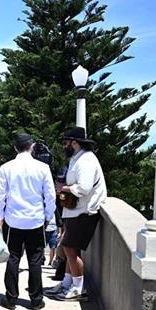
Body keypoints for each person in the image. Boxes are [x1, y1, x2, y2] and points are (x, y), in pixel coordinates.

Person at [0, 133, 56, 310]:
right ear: (32, 147)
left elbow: (0, 195)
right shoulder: (43, 168)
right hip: (36, 220)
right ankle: (36, 300)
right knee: (35, 260)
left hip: (13, 221)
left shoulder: (6, 167)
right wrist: (48, 216)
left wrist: (1, 218)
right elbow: (50, 195)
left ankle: (11, 298)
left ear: (15, 148)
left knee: (13, 258)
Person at [50, 126, 107, 301]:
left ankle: (78, 288)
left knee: (69, 248)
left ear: (75, 143)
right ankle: (68, 283)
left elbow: (84, 188)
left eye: (66, 142)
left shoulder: (86, 160)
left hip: (85, 212)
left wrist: (63, 188)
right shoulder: (78, 158)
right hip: (76, 212)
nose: (63, 146)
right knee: (70, 250)